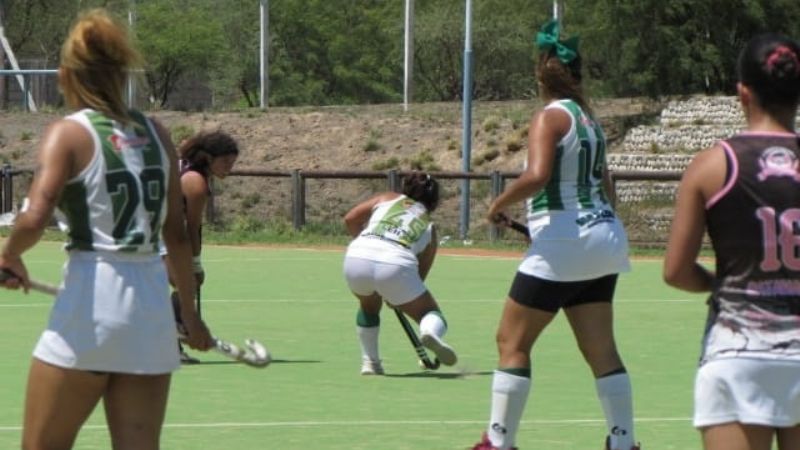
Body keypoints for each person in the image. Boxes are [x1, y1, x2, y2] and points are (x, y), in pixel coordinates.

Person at [0, 9, 212, 449]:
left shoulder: (69, 133)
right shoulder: (157, 133)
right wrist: (189, 317)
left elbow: (35, 215)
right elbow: (176, 234)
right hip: (151, 309)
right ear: (121, 74)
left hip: (91, 305)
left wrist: (7, 254)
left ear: (65, 75)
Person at [472, 20, 639, 450]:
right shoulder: (590, 121)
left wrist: (497, 204)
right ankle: (624, 442)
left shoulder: (549, 117)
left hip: (565, 242)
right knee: (601, 350)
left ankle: (498, 441)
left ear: (540, 73)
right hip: (604, 237)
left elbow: (537, 175)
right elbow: (602, 183)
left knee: (511, 341)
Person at [663, 33, 800, 450]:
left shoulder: (711, 165)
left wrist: (715, 282)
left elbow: (675, 271)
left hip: (737, 354)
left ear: (743, 92)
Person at [342, 172, 457, 375]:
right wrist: (396, 295)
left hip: (357, 255)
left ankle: (370, 363)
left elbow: (351, 218)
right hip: (396, 263)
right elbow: (419, 276)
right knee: (430, 314)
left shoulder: (387, 198)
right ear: (434, 201)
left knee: (368, 307)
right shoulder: (429, 227)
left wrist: (365, 242)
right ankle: (429, 332)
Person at [164, 130, 240, 364]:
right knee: (185, 282)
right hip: (156, 234)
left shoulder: (184, 167)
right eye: (225, 162)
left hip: (153, 230)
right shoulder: (196, 183)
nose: (229, 168)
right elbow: (191, 229)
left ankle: (169, 343)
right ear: (208, 158)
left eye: (232, 162)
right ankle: (169, 342)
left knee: (177, 284)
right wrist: (195, 264)